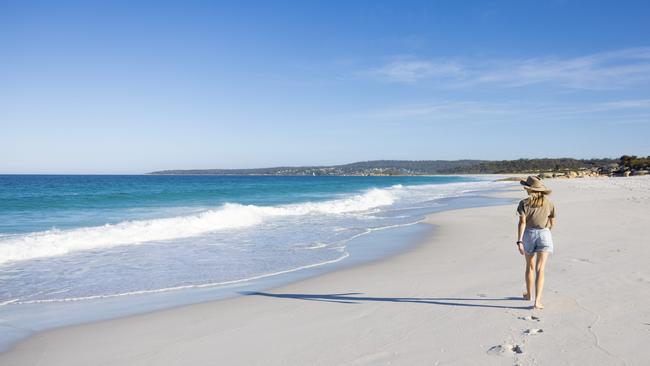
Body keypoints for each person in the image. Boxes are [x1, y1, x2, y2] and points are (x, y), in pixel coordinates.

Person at [516, 176, 555, 309]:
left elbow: (522, 222)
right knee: (540, 269)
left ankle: (528, 295)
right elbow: (552, 222)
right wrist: (546, 231)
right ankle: (537, 301)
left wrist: (519, 241)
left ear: (528, 189)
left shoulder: (524, 203)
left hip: (529, 234)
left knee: (530, 267)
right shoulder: (549, 202)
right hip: (545, 234)